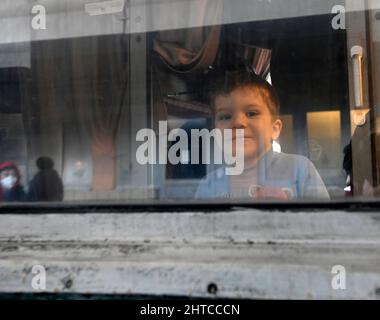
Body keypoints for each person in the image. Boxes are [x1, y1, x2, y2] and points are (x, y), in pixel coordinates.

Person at [195, 71, 330, 200]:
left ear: (275, 129)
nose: (237, 122)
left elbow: (326, 221)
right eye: (225, 116)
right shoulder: (208, 185)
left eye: (252, 113)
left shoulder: (300, 170)